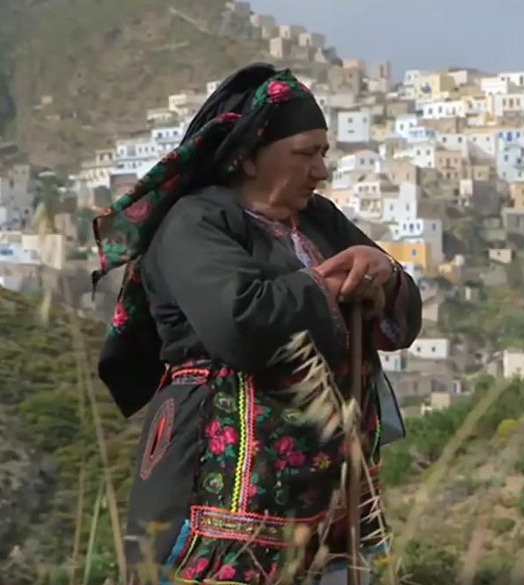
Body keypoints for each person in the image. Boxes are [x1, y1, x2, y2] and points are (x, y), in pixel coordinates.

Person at [90, 63, 421, 585]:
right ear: (246, 156)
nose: (320, 170)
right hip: (222, 490)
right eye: (305, 154)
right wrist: (328, 286)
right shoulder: (194, 223)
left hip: (332, 502)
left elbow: (400, 312)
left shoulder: (319, 219)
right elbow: (238, 321)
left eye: (324, 154)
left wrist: (385, 274)